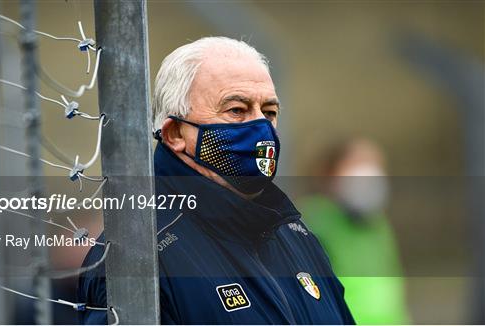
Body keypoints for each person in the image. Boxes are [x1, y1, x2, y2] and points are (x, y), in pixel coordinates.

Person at [78, 37, 354, 324]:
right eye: (236, 110)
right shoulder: (137, 254)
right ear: (175, 134)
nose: (260, 126)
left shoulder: (295, 234)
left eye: (269, 112)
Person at [297, 139, 411, 324]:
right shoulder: (313, 223)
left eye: (374, 165)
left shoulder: (379, 225)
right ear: (329, 174)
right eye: (357, 164)